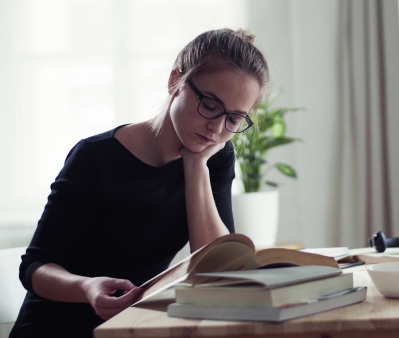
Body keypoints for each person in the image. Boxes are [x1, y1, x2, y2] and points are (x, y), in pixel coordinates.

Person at [10, 28, 270, 338]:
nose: (216, 128)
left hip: (131, 329)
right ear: (176, 80)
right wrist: (87, 288)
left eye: (234, 119)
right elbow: (34, 266)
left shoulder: (215, 157)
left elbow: (216, 266)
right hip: (53, 330)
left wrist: (196, 164)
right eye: (210, 105)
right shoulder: (95, 158)